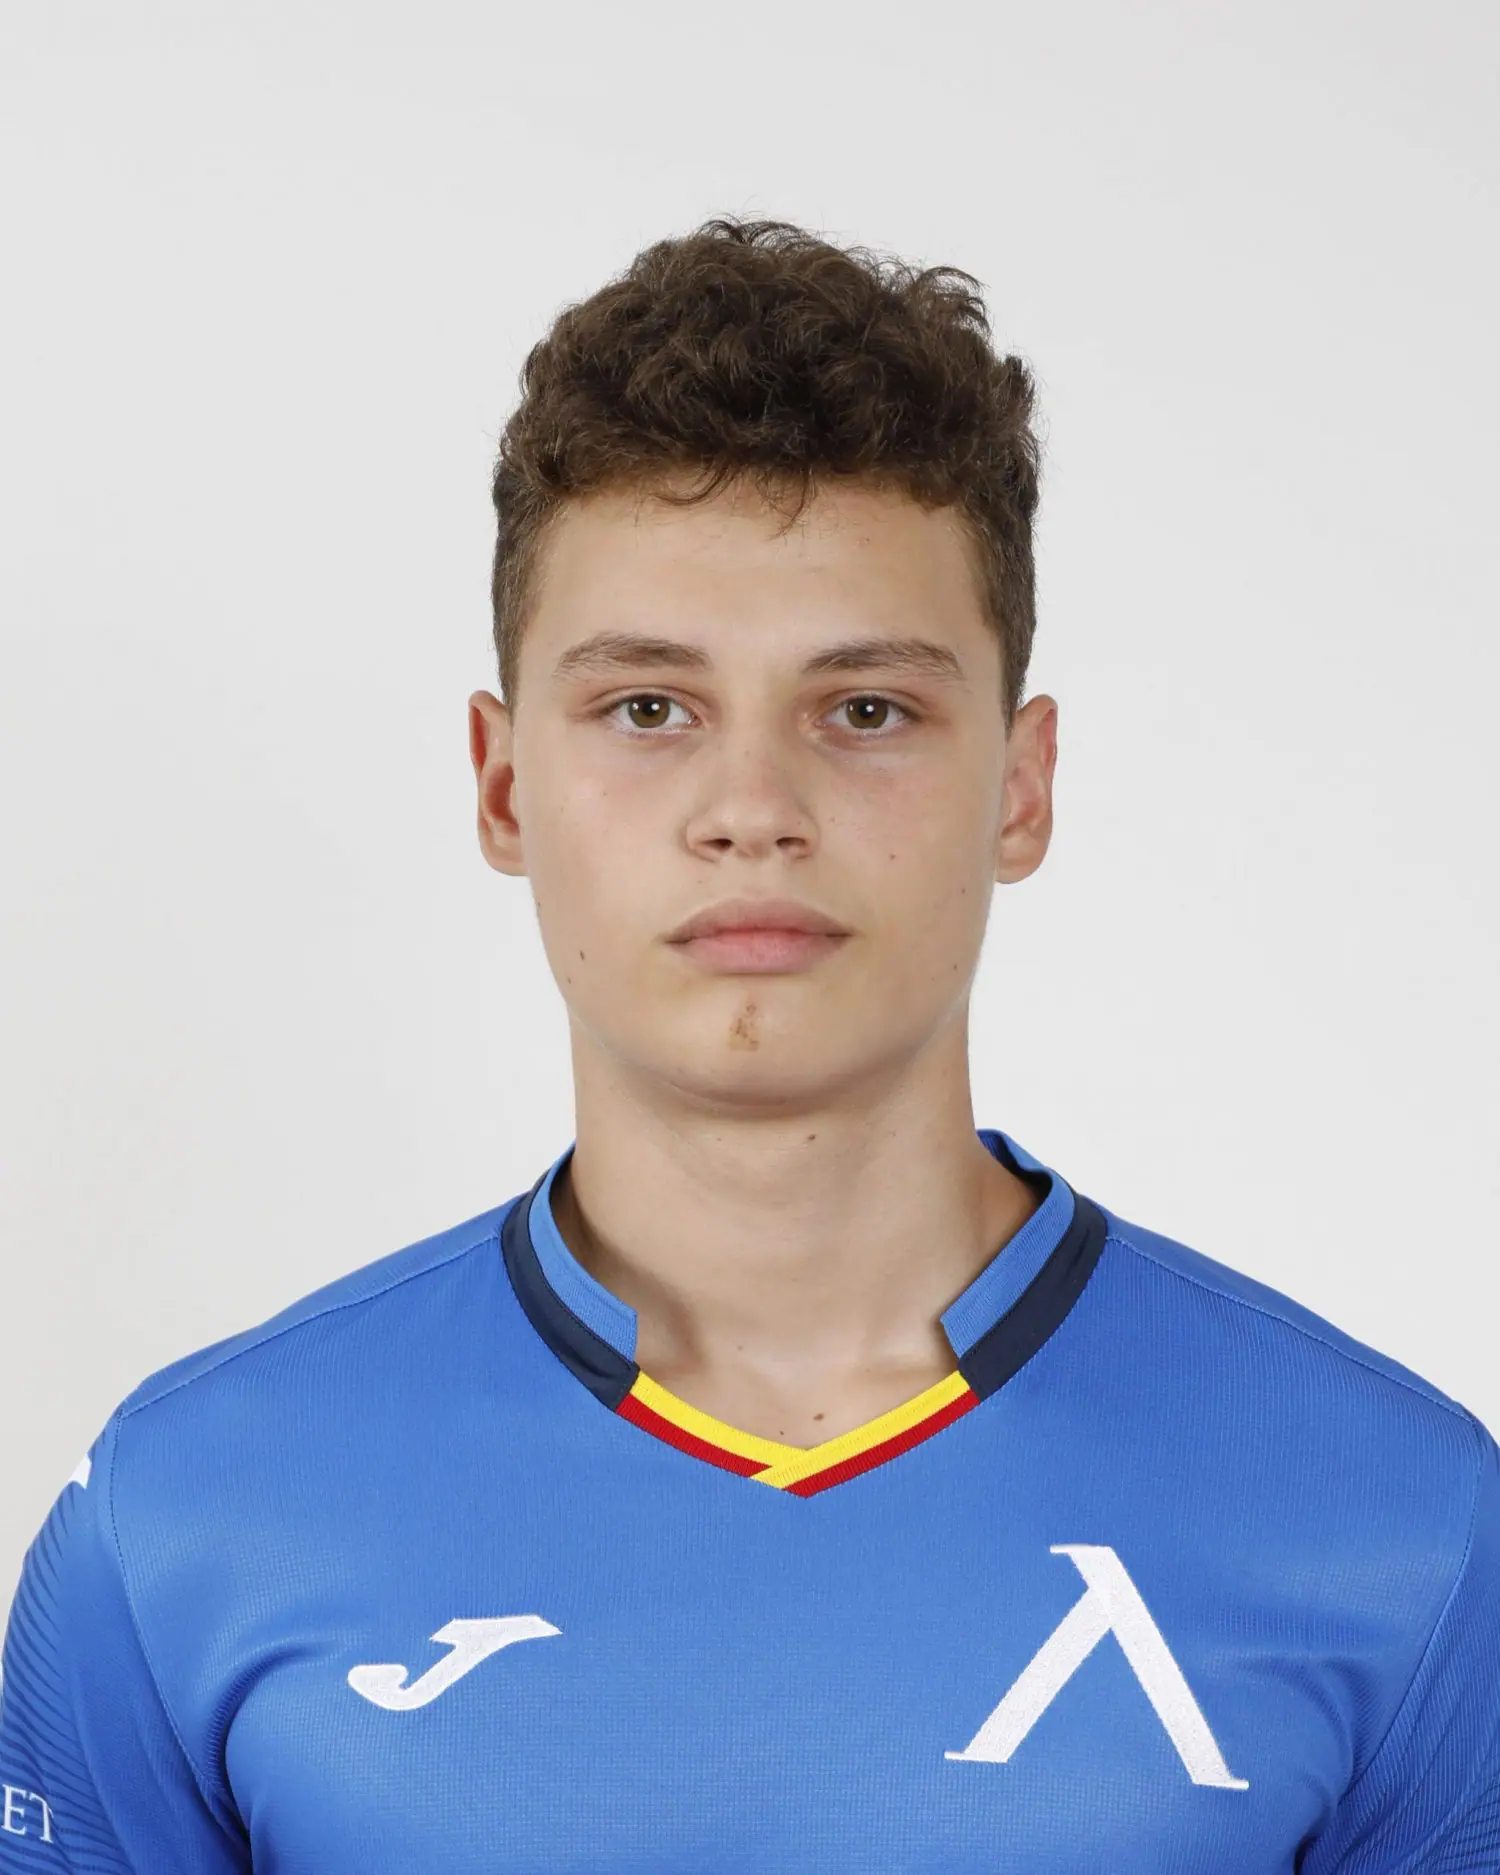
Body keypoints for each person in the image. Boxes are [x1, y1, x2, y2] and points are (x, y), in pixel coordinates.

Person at [1, 217, 1495, 1875]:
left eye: (867, 709)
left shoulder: (1405, 1530)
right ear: (503, 783)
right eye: (649, 707)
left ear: (1021, 786)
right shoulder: (183, 1516)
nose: (753, 809)